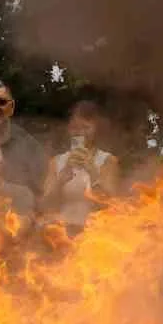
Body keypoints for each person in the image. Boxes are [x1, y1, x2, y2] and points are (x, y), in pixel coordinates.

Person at [38, 99, 121, 233]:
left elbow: (112, 206)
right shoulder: (56, 162)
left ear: (96, 129)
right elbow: (45, 206)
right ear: (69, 129)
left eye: (86, 127)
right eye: (75, 128)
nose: (80, 132)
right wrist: (60, 182)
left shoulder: (108, 161)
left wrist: (93, 172)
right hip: (61, 233)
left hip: (95, 234)